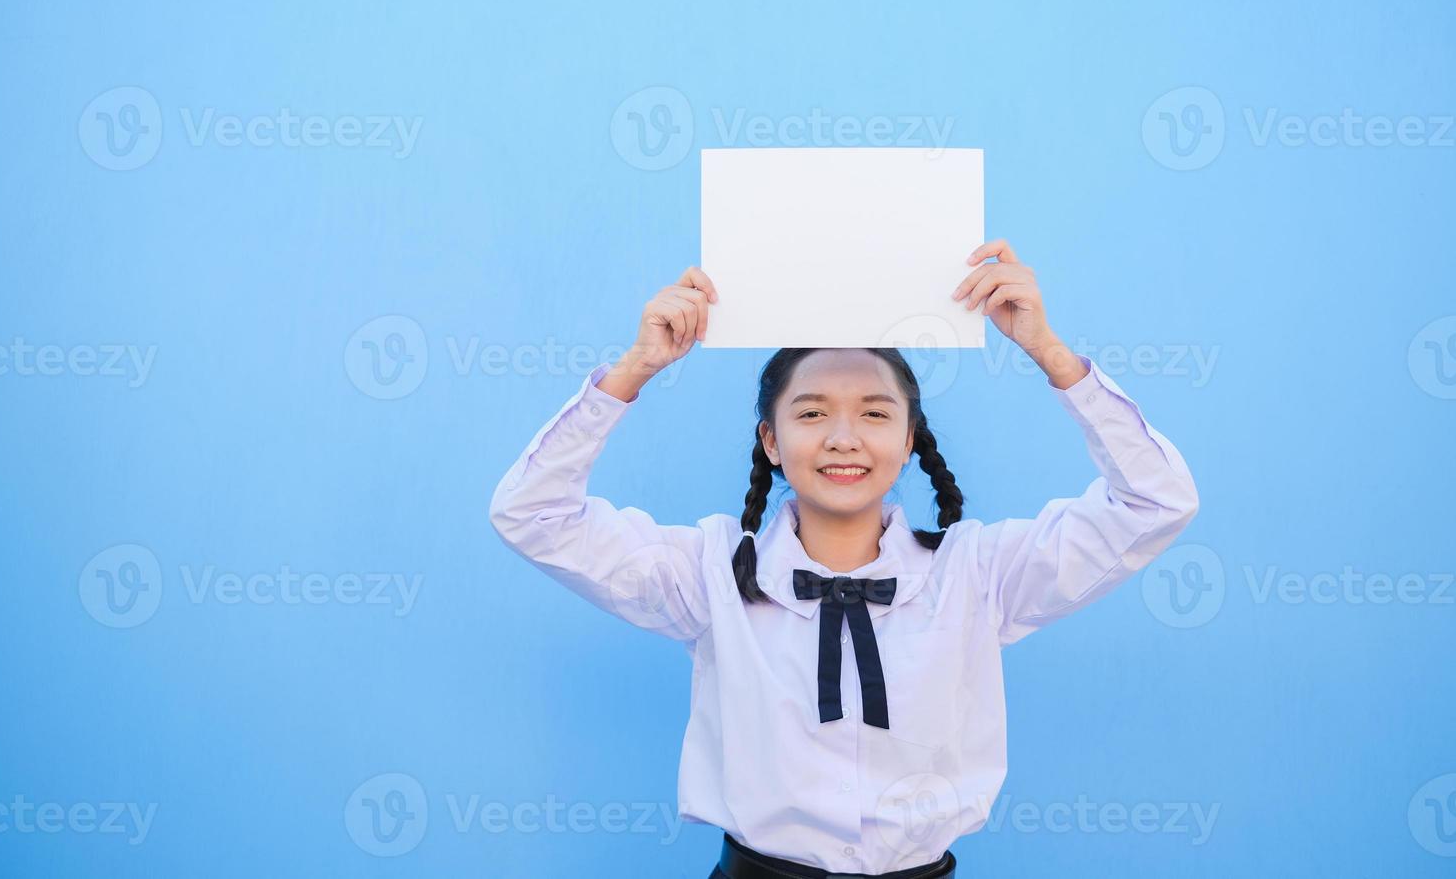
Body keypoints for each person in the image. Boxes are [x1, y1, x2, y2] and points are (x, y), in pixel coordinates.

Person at [489, 239, 1200, 878]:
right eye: (810, 413)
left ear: (910, 435)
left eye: (874, 412)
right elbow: (532, 514)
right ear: (770, 440)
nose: (842, 437)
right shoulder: (707, 574)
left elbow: (1154, 502)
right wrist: (634, 369)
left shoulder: (978, 573)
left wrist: (1052, 355)